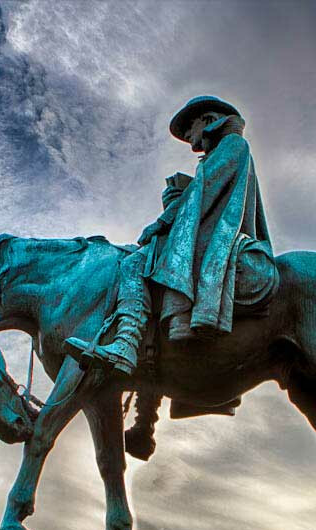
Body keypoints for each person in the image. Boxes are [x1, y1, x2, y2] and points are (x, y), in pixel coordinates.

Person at [64, 95, 272, 374]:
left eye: (191, 126)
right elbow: (201, 196)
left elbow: (204, 193)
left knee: (135, 263)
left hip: (219, 239)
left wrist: (162, 220)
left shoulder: (233, 145)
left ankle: (126, 344)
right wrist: (178, 197)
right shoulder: (222, 152)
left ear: (209, 121)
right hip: (208, 234)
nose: (187, 134)